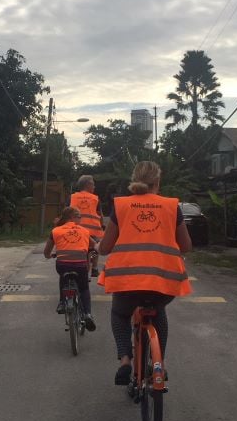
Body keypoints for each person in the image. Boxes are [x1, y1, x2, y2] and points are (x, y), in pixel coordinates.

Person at [97, 161, 192, 385]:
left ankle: (125, 360)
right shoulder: (171, 206)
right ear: (158, 182)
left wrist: (98, 246)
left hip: (127, 282)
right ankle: (160, 364)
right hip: (164, 281)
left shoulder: (121, 205)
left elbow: (105, 248)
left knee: (120, 314)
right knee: (158, 312)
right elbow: (186, 246)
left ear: (134, 179)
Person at [44, 206, 97, 331]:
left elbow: (46, 252)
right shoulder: (84, 231)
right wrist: (93, 253)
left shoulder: (56, 231)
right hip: (81, 265)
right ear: (72, 217)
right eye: (79, 217)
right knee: (84, 288)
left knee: (63, 277)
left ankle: (62, 303)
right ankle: (87, 314)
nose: (80, 219)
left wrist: (49, 256)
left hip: (63, 265)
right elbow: (94, 245)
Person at [69, 175, 104, 276]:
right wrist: (101, 226)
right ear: (87, 185)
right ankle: (94, 268)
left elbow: (66, 213)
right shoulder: (95, 199)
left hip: (75, 230)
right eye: (93, 184)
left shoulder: (72, 197)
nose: (94, 187)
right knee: (96, 247)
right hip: (92, 232)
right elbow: (100, 216)